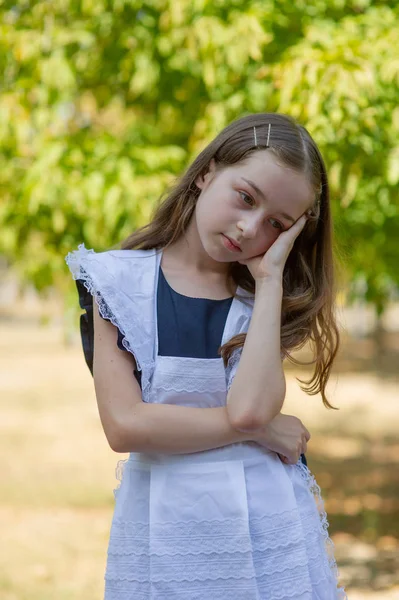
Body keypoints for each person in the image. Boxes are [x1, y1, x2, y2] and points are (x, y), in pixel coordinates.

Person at [65, 113, 347, 599]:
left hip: (267, 526)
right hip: (164, 528)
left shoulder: (262, 299)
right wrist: (259, 431)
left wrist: (271, 278)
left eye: (276, 224)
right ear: (206, 172)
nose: (249, 227)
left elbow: (250, 407)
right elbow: (125, 426)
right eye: (246, 197)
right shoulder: (117, 284)